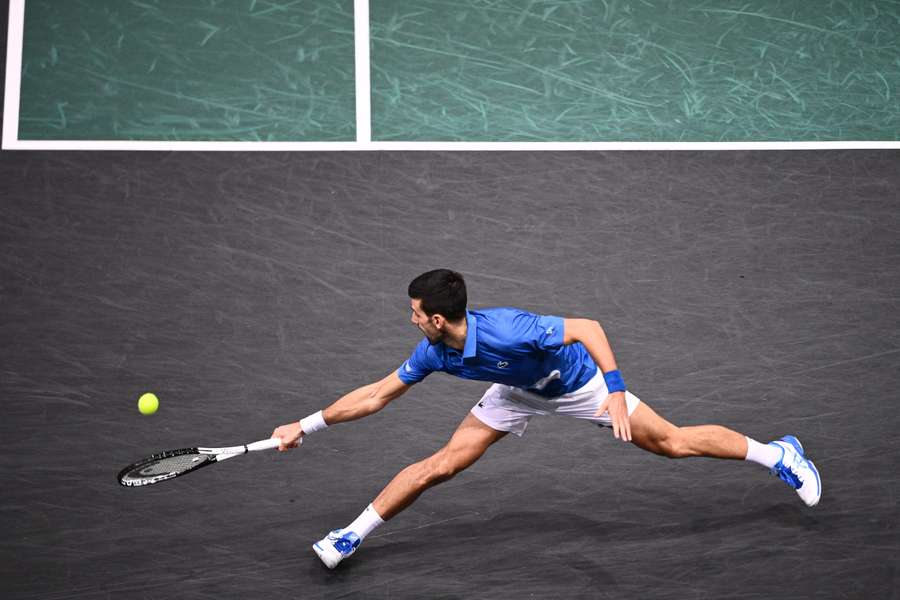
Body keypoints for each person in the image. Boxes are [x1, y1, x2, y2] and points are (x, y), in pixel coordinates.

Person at [271, 269, 821, 569]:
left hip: (579, 385)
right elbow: (374, 396)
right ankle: (350, 535)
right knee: (442, 465)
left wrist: (614, 390)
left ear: (437, 318)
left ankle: (779, 454)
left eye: (415, 313)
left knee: (673, 444)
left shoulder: (512, 327)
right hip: (515, 392)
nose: (410, 319)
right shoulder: (435, 352)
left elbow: (589, 327)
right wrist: (306, 423)